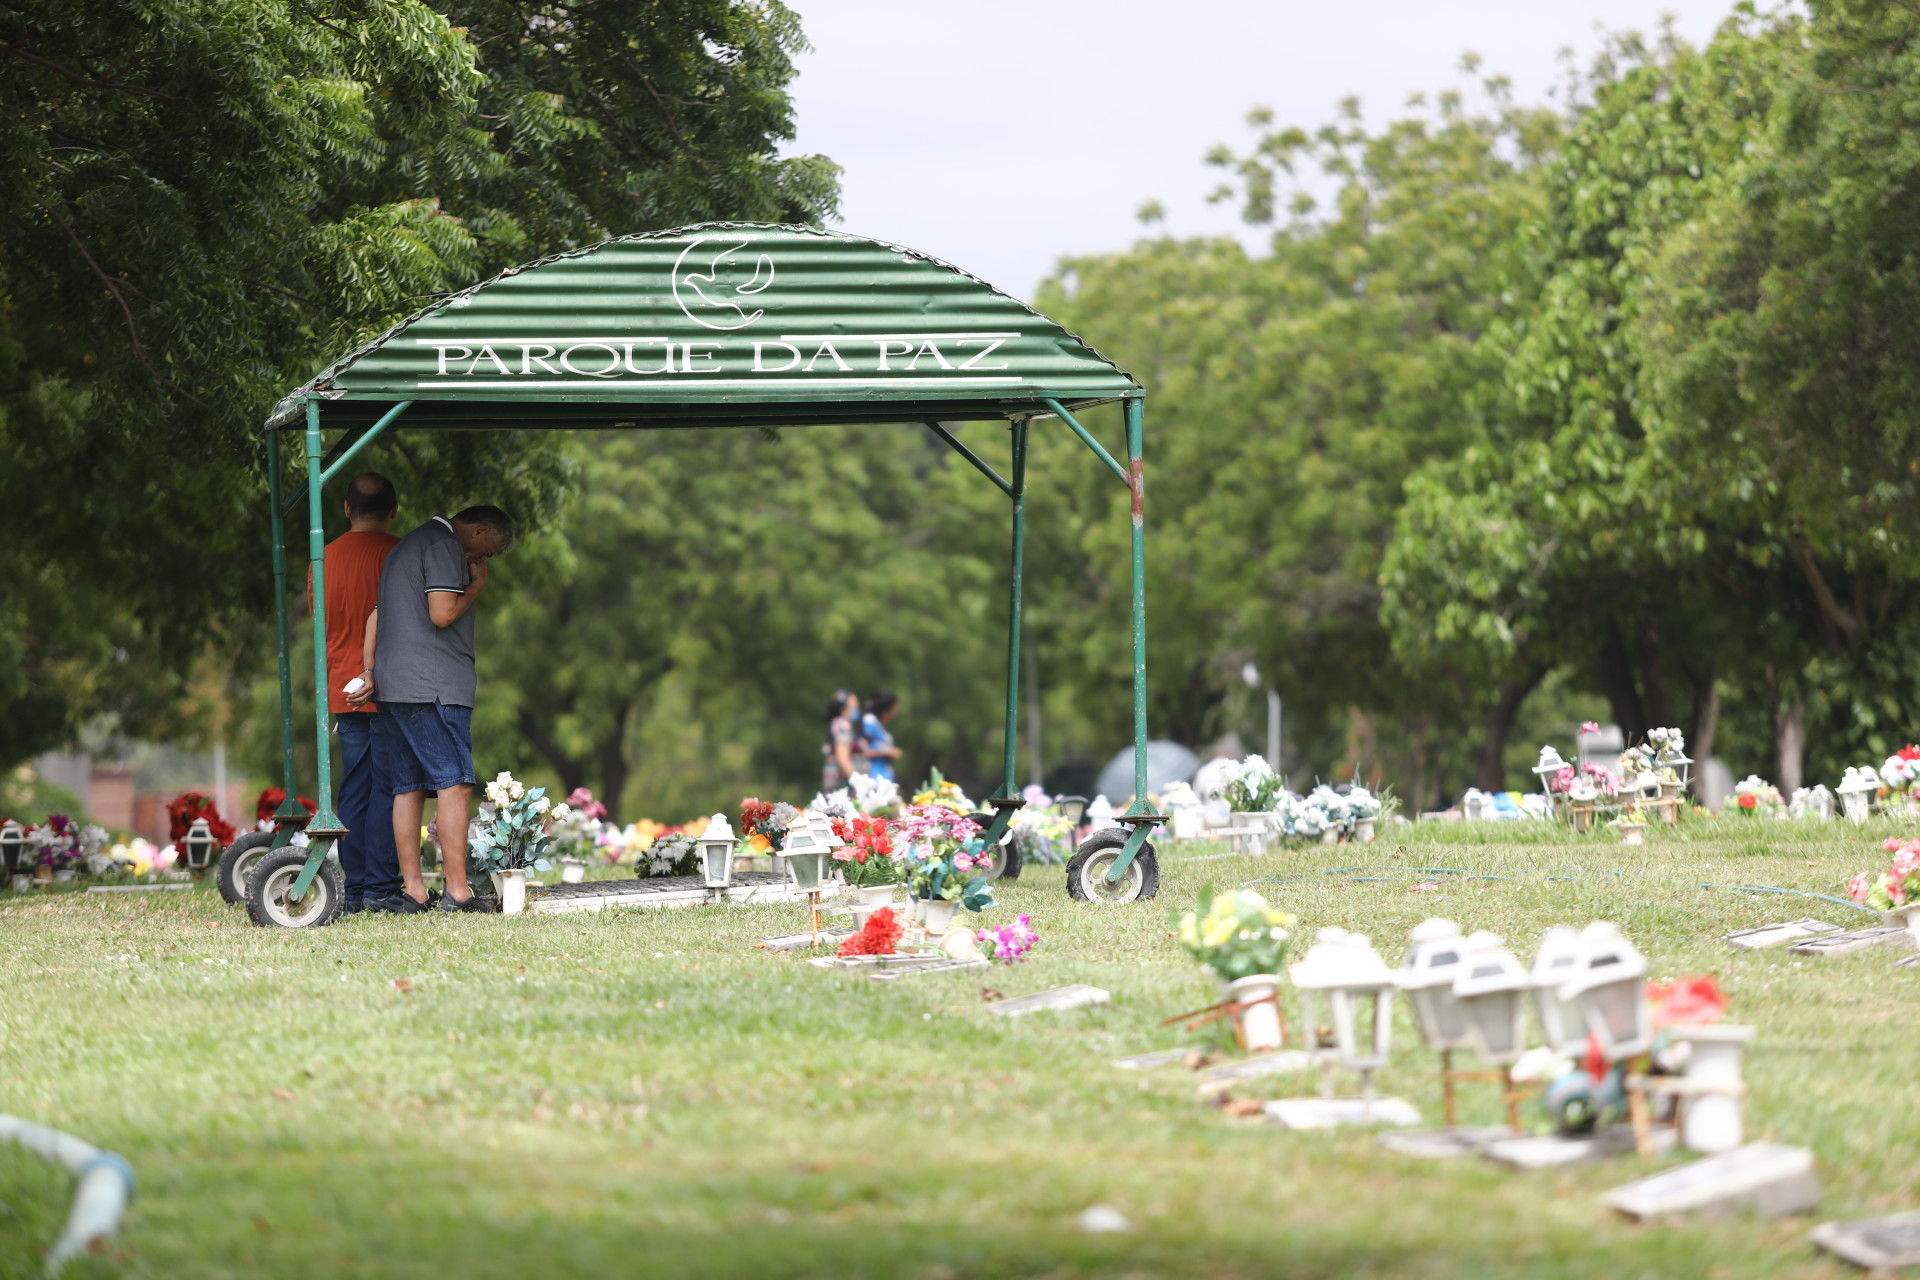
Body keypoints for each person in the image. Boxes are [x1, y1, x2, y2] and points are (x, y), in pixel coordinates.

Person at [354, 505, 515, 914]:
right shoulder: (445, 545)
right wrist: (475, 587)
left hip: (394, 685)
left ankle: (413, 892)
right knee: (455, 783)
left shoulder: (406, 545)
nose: (481, 562)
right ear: (478, 531)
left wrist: (370, 672)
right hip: (434, 686)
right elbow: (442, 613)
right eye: (486, 552)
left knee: (406, 786)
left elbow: (375, 617)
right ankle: (457, 893)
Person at [307, 473, 403, 914]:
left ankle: (357, 887)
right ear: (393, 510)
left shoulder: (321, 560)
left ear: (347, 508)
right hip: (391, 686)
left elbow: (320, 621)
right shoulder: (401, 555)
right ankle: (383, 887)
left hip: (342, 689)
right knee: (390, 786)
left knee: (355, 788)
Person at [821, 689, 867, 793]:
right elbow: (843, 758)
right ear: (843, 708)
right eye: (854, 706)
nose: (857, 709)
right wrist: (858, 785)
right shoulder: (842, 726)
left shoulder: (837, 724)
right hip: (843, 786)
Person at [861, 689, 902, 783]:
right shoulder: (869, 722)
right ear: (884, 709)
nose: (893, 715)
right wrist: (888, 752)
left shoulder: (877, 724)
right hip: (873, 777)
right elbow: (864, 750)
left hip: (882, 777)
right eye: (892, 711)